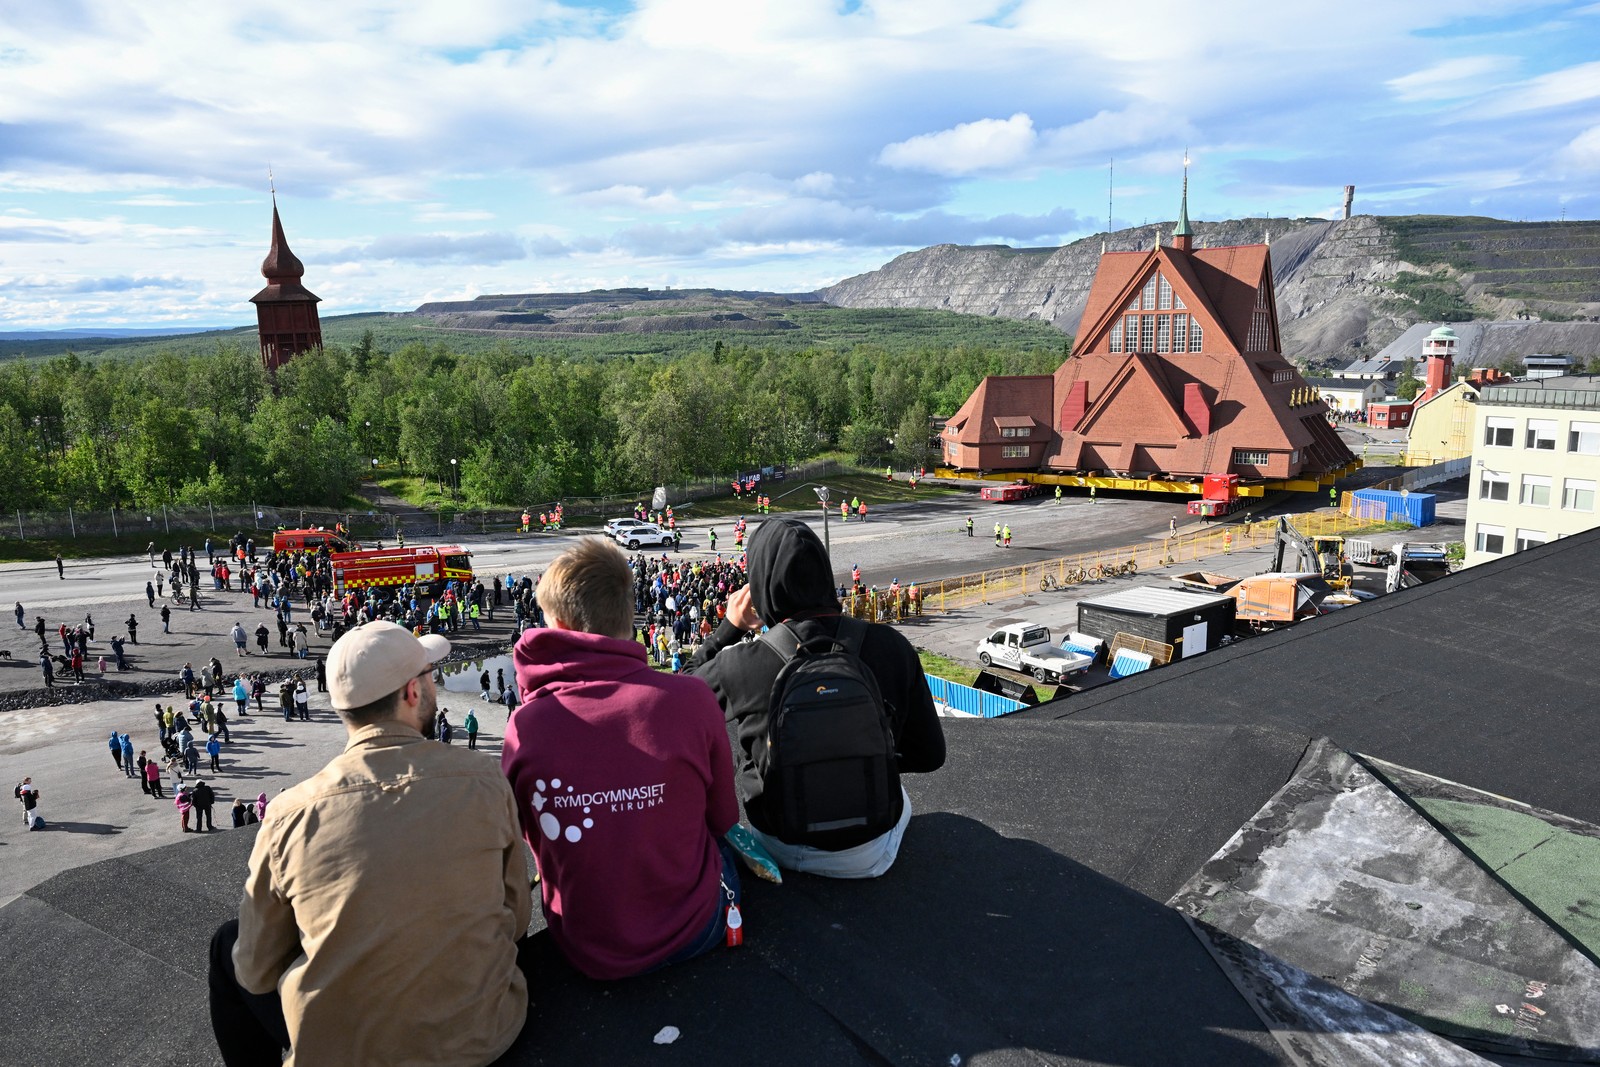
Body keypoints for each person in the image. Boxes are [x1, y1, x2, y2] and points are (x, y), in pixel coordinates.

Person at [208, 621, 532, 1066]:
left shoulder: (290, 813)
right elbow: (515, 920)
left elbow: (255, 970)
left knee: (228, 943)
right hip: (480, 1035)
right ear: (413, 693)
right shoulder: (482, 779)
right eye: (430, 674)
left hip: (347, 1053)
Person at [504, 537, 741, 979]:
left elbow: (525, 836)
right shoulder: (692, 699)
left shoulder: (526, 727)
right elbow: (724, 818)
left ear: (555, 624)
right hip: (697, 929)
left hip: (584, 947)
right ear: (630, 613)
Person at [690, 518, 945, 879]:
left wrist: (727, 630)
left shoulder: (740, 664)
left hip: (780, 843)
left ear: (761, 585)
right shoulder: (892, 646)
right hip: (873, 847)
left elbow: (677, 698)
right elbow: (930, 755)